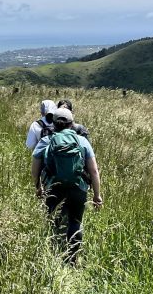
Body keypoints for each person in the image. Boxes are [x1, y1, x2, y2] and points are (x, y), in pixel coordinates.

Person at [32, 107, 102, 264]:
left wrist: (38, 187)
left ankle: (53, 252)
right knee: (75, 221)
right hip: (78, 188)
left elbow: (35, 168)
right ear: (72, 124)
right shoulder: (82, 141)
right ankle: (72, 258)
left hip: (53, 186)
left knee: (53, 220)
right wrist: (97, 196)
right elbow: (94, 171)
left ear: (54, 124)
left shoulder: (45, 141)